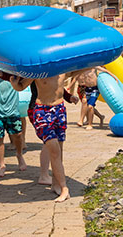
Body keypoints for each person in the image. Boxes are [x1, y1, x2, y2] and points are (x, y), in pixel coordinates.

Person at [10, 72, 72, 202]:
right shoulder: (39, 72)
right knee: (54, 149)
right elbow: (20, 86)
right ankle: (64, 188)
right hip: (42, 111)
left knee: (59, 150)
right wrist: (13, 82)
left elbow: (84, 67)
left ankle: (56, 184)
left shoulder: (62, 71)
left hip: (59, 110)